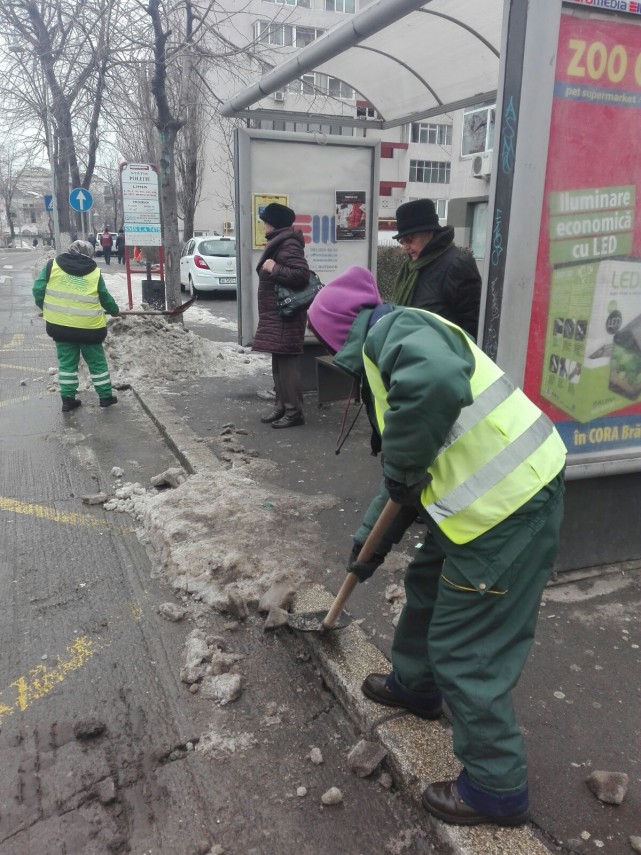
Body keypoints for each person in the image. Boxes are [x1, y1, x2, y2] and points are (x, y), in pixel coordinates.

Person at [307, 266, 567, 827]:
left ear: (339, 334)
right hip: (481, 505)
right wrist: (368, 547)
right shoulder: (397, 337)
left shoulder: (395, 335)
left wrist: (403, 471)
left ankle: (496, 787)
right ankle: (416, 685)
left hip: (511, 506)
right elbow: (406, 477)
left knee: (467, 645)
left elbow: (435, 392)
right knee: (425, 582)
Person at [32, 239, 120, 411]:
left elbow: (38, 290)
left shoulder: (52, 266)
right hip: (90, 328)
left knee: (66, 364)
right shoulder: (94, 271)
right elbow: (104, 297)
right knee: (97, 364)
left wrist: (46, 308)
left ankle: (68, 400)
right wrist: (115, 311)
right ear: (90, 254)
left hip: (60, 326)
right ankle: (105, 397)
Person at [253, 202, 309, 429]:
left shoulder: (288, 244)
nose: (264, 226)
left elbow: (301, 275)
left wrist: (273, 267)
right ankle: (282, 407)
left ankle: (294, 412)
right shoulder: (280, 242)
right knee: (278, 363)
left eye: (265, 222)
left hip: (286, 315)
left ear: (273, 223)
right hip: (278, 314)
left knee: (287, 366)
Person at [391, 198, 481, 339]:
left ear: (429, 232)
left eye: (409, 239)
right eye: (401, 241)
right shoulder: (411, 267)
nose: (405, 247)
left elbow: (473, 325)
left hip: (443, 350)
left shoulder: (457, 265)